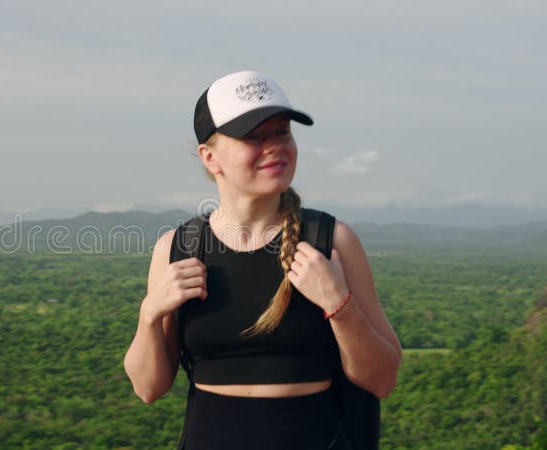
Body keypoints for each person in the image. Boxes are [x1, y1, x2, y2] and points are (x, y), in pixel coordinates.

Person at [123, 70, 402, 449]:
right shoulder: (178, 249)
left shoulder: (331, 241)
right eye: (255, 136)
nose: (275, 146)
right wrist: (150, 314)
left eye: (283, 132)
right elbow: (148, 388)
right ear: (210, 157)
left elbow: (382, 379)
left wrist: (339, 305)